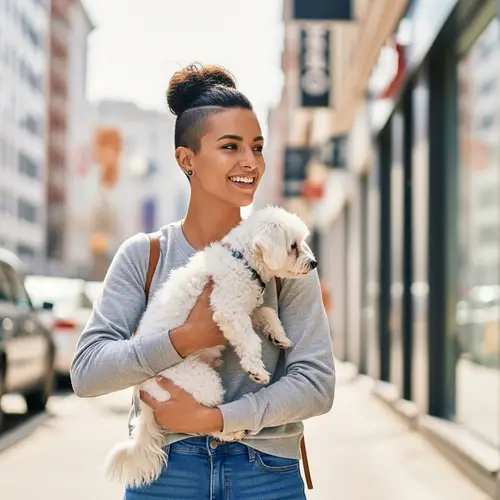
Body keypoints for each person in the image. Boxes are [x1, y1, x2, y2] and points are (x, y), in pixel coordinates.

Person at [70, 63, 336, 499]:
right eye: (230, 147)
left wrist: (216, 420)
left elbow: (316, 384)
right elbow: (87, 374)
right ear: (186, 159)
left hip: (265, 472)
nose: (250, 162)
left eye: (257, 147)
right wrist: (186, 337)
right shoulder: (145, 255)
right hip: (165, 472)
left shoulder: (287, 256)